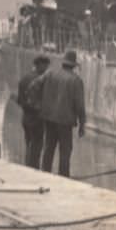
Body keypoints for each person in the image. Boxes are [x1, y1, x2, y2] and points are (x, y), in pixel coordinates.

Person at [38, 49, 86, 177]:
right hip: (65, 121)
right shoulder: (76, 81)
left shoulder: (50, 73)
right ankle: (63, 178)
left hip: (49, 118)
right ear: (73, 65)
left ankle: (44, 175)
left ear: (63, 62)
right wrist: (82, 124)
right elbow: (80, 105)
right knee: (65, 151)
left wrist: (39, 108)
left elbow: (36, 85)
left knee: (48, 148)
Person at [15, 53, 50, 169]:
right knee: (37, 146)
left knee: (28, 144)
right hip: (37, 118)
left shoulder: (24, 79)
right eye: (46, 66)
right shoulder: (41, 80)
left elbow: (19, 101)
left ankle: (27, 168)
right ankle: (34, 170)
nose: (46, 69)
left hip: (25, 118)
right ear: (40, 65)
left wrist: (27, 108)